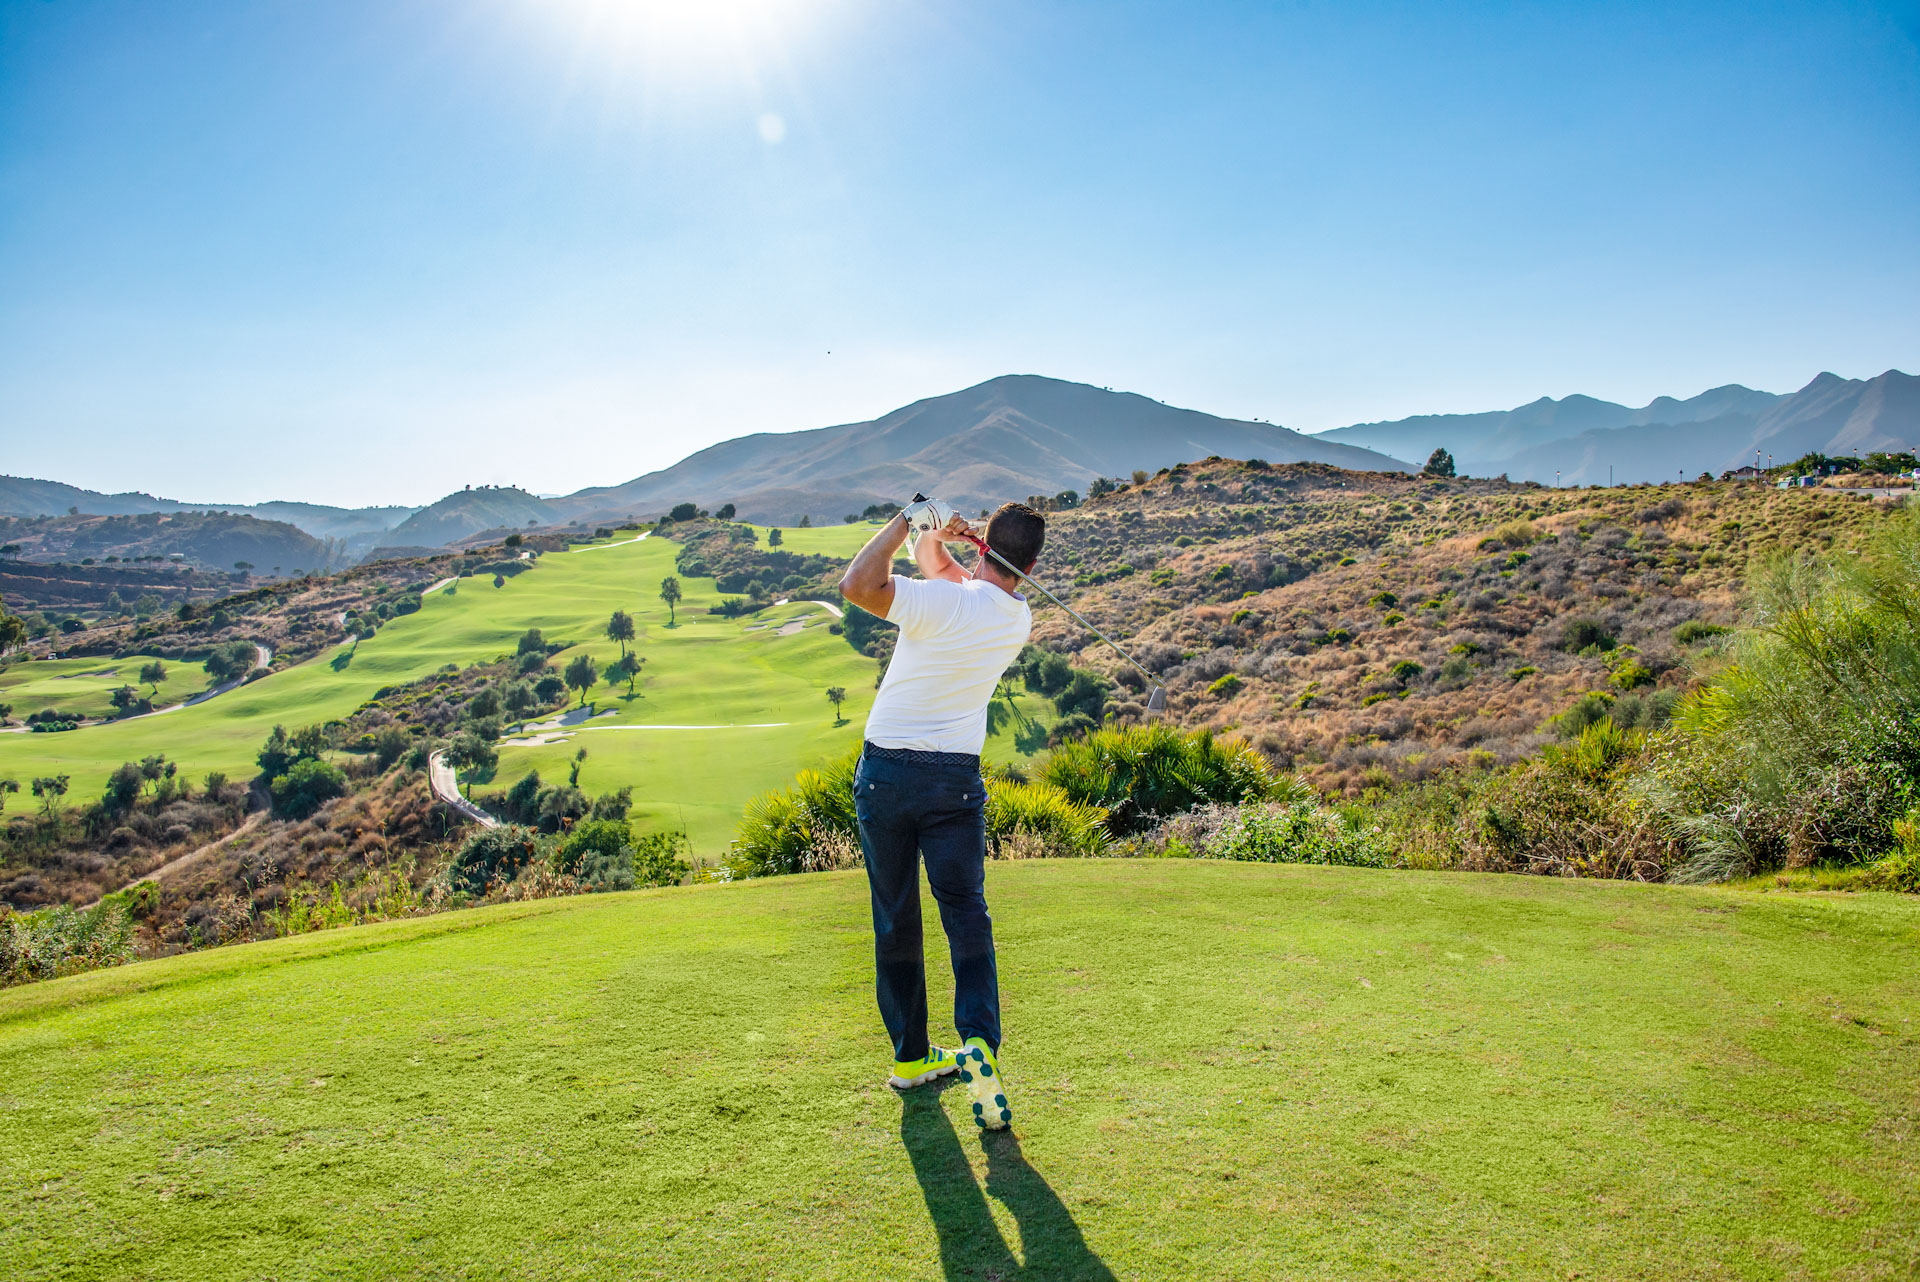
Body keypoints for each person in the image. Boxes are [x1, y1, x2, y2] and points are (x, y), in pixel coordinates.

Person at [836, 498, 1046, 1131]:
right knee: (966, 912)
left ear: (986, 546)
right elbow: (944, 574)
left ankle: (911, 1057)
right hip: (955, 784)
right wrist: (938, 536)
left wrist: (908, 520)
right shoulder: (1017, 619)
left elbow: (857, 585)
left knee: (896, 914)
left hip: (889, 775)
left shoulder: (943, 604)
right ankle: (978, 1039)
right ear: (1031, 564)